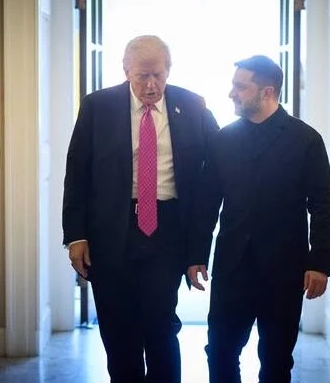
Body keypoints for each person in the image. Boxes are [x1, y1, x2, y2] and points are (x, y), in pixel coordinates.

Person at [62, 35, 219, 383]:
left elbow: (221, 160)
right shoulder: (97, 107)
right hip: (110, 231)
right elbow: (77, 174)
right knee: (118, 330)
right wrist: (76, 236)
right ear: (126, 71)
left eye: (158, 76)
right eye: (142, 76)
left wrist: (198, 249)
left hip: (167, 230)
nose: (151, 85)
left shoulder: (192, 105)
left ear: (169, 70)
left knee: (161, 324)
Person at [187, 55, 330, 383]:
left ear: (267, 92)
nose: (231, 93)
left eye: (240, 87)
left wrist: (320, 264)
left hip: (284, 269)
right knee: (220, 351)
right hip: (232, 267)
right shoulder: (222, 139)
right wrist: (196, 255)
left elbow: (322, 206)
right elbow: (206, 203)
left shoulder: (306, 140)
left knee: (277, 359)